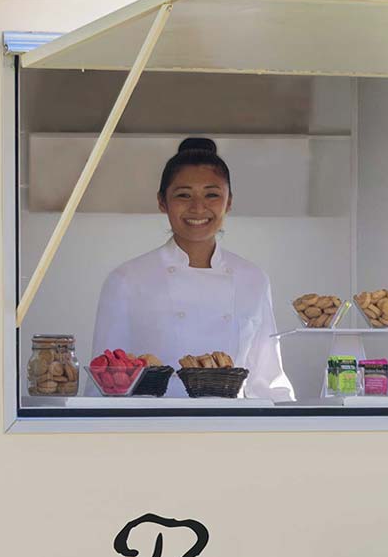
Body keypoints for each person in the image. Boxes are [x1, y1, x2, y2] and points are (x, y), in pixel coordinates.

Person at [90, 136, 293, 399]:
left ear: (229, 202)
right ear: (162, 202)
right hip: (150, 429)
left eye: (212, 194)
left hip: (234, 429)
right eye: (183, 195)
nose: (198, 207)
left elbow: (267, 378)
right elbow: (105, 381)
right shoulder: (127, 280)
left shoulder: (253, 278)